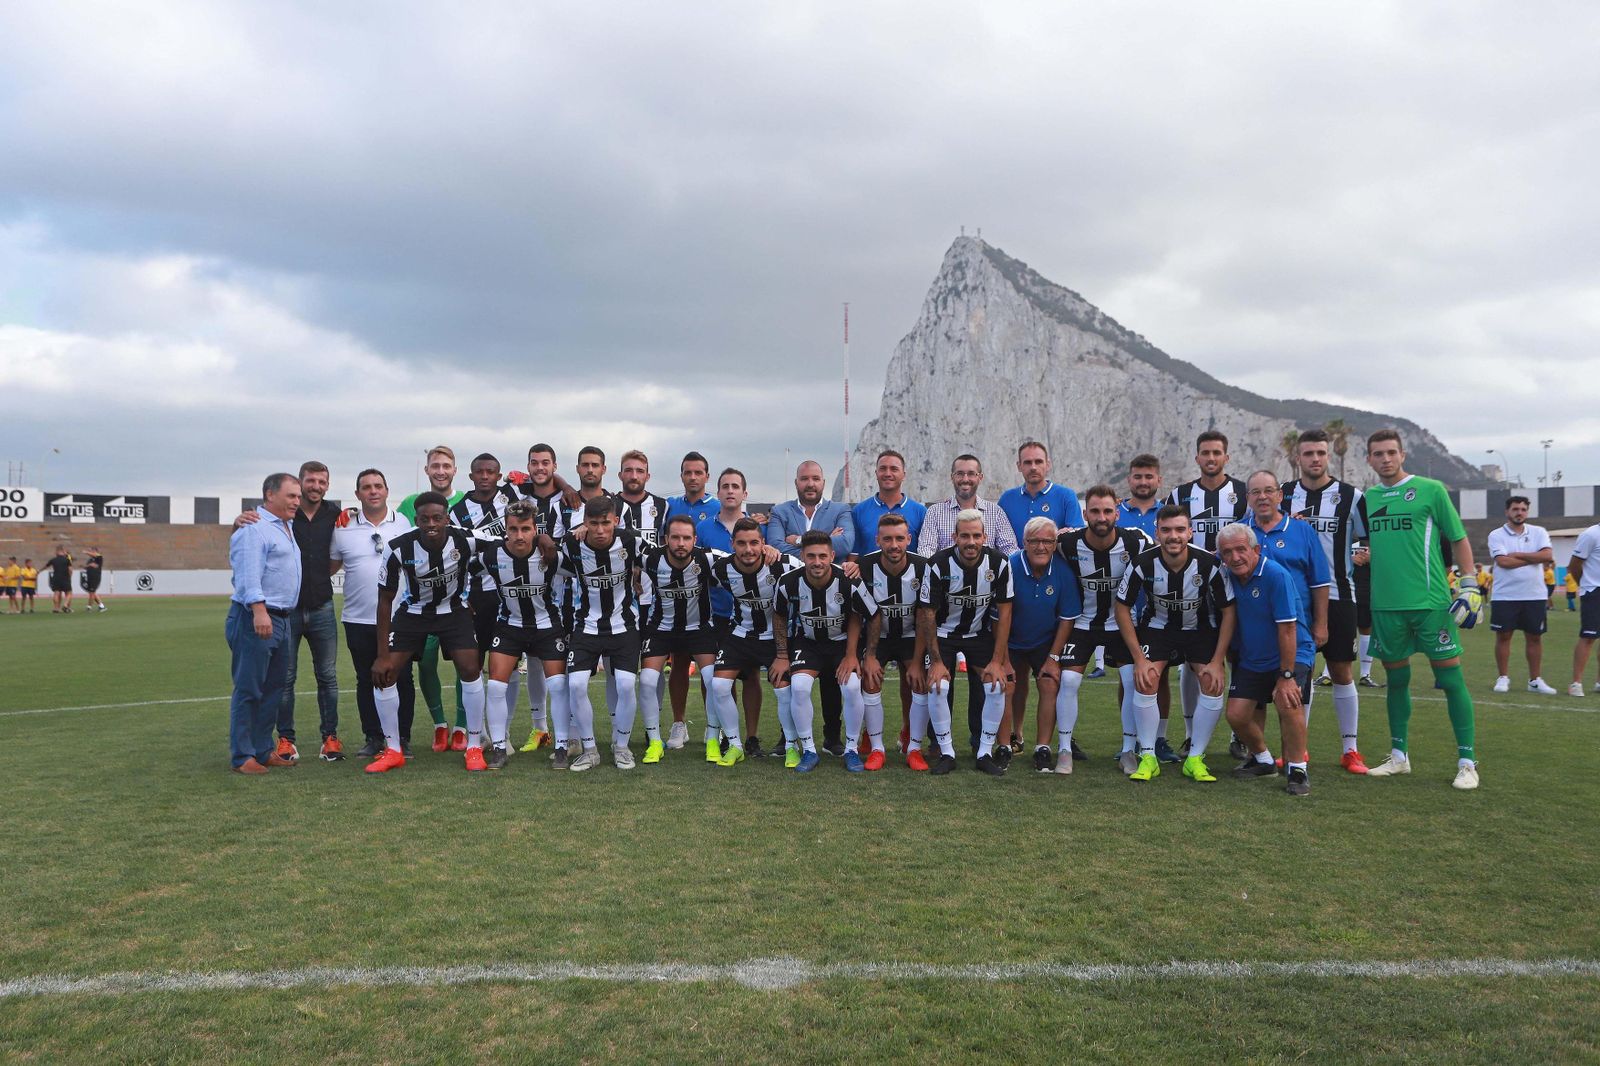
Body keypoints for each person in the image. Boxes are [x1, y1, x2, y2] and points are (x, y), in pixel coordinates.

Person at [1360, 429, 1483, 790]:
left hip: (1430, 603)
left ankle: (1466, 761)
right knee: (1396, 681)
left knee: (1450, 679)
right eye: (1378, 453)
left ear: (1403, 454)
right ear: (1368, 459)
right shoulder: (1368, 498)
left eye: (1391, 452)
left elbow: (1458, 537)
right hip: (1385, 606)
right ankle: (1399, 757)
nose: (1385, 459)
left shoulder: (1431, 490)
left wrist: (1470, 582)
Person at [367, 492, 488, 773]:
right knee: (385, 674)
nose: (431, 523)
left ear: (447, 518)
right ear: (416, 520)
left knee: (471, 668)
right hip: (414, 613)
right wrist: (382, 654)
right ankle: (393, 750)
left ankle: (473, 745)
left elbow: (506, 540)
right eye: (424, 519)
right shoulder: (398, 547)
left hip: (454, 611)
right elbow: (385, 601)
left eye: (437, 518)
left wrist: (543, 540)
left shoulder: (466, 538)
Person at [1114, 505, 1235, 784]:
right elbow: (1122, 607)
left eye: (1180, 530)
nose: (1173, 536)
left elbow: (1229, 611)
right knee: (1146, 679)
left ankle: (1195, 758)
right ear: (1157, 533)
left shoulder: (1209, 564)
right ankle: (1148, 756)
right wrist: (1139, 658)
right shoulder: (1143, 563)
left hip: (1199, 630)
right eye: (1166, 530)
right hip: (1158, 628)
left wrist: (1218, 661)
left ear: (1190, 532)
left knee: (1212, 682)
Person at [236, 459, 343, 761]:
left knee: (328, 676)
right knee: (284, 678)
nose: (315, 487)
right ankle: (285, 739)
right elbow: (249, 543)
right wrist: (238, 521)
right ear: (300, 481)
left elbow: (336, 560)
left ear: (328, 485)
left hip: (321, 606)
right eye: (310, 481)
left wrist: (319, 577)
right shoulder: (278, 515)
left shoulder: (336, 516)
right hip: (286, 611)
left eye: (322, 482)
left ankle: (330, 738)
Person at [1283, 430, 1369, 772]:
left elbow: (1368, 542)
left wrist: (1359, 555)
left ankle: (1350, 749)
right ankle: (1297, 750)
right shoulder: (1285, 496)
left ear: (1328, 455)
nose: (1315, 459)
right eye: (1308, 454)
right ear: (1297, 458)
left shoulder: (1352, 496)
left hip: (1339, 594)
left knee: (1341, 671)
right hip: (1295, 598)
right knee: (1299, 672)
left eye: (1320, 452)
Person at [1054, 485, 1152, 773]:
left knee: (1131, 681)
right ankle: (1064, 749)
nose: (1101, 517)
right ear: (1085, 514)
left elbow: (1161, 557)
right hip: (1082, 622)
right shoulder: (1067, 544)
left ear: (1117, 514)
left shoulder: (1136, 541)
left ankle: (1127, 750)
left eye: (1107, 511)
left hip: (1120, 623)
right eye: (1095, 511)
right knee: (1069, 682)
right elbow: (1041, 550)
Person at [1241, 470, 1332, 768]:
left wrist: (1321, 623)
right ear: (1248, 498)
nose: (1263, 497)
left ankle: (1294, 764)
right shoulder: (1240, 531)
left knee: (1289, 699)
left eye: (1269, 490)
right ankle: (1261, 757)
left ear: (1280, 495)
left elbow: (1319, 581)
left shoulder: (1302, 531)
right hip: (1252, 635)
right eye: (1256, 492)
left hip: (1295, 630)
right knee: (1254, 701)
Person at [1217, 524, 1314, 796]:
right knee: (1236, 715)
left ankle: (1297, 769)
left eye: (1241, 550)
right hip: (1252, 656)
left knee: (1288, 701)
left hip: (1292, 653)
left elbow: (1288, 628)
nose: (1235, 557)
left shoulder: (1275, 575)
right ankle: (1263, 760)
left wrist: (1286, 676)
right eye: (1227, 552)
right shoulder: (1226, 574)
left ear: (1256, 550)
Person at [766, 460, 855, 757]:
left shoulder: (840, 509)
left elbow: (845, 545)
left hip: (833, 601)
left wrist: (798, 541)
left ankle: (832, 737)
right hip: (795, 606)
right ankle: (788, 738)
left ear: (823, 482)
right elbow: (775, 546)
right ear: (796, 483)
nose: (810, 483)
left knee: (833, 681)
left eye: (815, 478)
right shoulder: (780, 511)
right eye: (804, 479)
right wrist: (821, 541)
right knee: (795, 681)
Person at [1168, 431, 1248, 757]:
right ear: (1197, 457)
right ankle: (1190, 734)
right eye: (1205, 453)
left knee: (1237, 658)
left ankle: (1238, 735)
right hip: (1193, 590)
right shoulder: (1181, 494)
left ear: (1226, 457)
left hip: (1236, 588)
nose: (1211, 458)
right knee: (1191, 662)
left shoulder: (1241, 493)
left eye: (1217, 453)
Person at [474, 499, 569, 770]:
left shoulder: (550, 555)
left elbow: (582, 573)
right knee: (495, 686)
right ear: (506, 528)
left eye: (525, 529)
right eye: (513, 529)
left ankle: (561, 745)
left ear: (534, 529)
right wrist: (465, 601)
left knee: (558, 686)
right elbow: (463, 572)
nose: (519, 535)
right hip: (510, 625)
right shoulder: (491, 556)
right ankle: (500, 747)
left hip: (547, 626)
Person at [920, 509, 1015, 776]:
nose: (970, 542)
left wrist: (998, 661)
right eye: (964, 536)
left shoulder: (1000, 564)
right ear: (954, 537)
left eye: (976, 536)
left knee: (996, 685)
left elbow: (1005, 612)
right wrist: (936, 662)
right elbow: (927, 614)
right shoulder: (937, 564)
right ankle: (946, 752)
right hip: (943, 635)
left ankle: (984, 751)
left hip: (978, 635)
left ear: (985, 537)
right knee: (938, 686)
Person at [329, 468, 416, 758]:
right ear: (357, 495)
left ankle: (402, 738)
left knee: (402, 678)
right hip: (357, 618)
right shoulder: (342, 527)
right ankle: (374, 737)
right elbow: (329, 567)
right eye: (366, 487)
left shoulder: (402, 523)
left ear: (387, 491)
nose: (373, 491)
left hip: (398, 618)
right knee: (366, 679)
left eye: (378, 485)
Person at [773, 531, 878, 771]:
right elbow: (778, 615)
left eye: (822, 556)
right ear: (802, 556)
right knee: (798, 687)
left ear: (832, 555)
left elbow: (869, 613)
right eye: (811, 556)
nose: (817, 562)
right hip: (808, 643)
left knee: (852, 687)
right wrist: (781, 655)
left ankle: (851, 750)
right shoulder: (789, 581)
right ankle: (809, 750)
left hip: (842, 644)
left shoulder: (848, 579)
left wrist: (855, 654)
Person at [560, 496, 647, 771]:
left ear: (616, 522)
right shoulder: (572, 542)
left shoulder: (632, 541)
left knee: (624, 685)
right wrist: (567, 533)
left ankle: (621, 747)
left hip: (624, 625)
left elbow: (664, 555)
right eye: (593, 523)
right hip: (586, 625)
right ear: (584, 523)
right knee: (575, 685)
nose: (599, 530)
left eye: (605, 523)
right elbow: (546, 548)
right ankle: (589, 750)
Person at [226, 473, 303, 775]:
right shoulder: (254, 529)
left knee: (273, 689)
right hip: (257, 617)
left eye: (298, 496)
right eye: (291, 496)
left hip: (283, 618)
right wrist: (259, 610)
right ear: (270, 495)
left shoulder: (286, 527)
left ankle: (261, 749)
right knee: (249, 688)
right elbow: (247, 573)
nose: (297, 501)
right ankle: (242, 756)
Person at [709, 519, 801, 766]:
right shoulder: (720, 569)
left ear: (763, 544)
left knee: (783, 692)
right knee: (718, 686)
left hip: (776, 638)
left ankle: (792, 746)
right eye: (741, 543)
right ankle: (736, 745)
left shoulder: (785, 565)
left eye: (754, 543)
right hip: (740, 635)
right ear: (732, 545)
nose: (748, 549)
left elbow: (819, 569)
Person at [395, 445, 467, 751]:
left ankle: (462, 727)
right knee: (425, 663)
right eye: (435, 465)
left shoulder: (466, 501)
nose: (440, 470)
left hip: (458, 600)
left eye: (446, 465)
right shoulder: (411, 504)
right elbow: (392, 536)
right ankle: (440, 725)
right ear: (427, 470)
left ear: (454, 469)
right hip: (420, 602)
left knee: (467, 663)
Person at [637, 515, 723, 764]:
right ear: (666, 539)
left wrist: (767, 549)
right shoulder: (651, 558)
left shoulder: (707, 558)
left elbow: (741, 557)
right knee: (647, 681)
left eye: (687, 538)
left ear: (695, 540)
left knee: (711, 680)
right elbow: (621, 545)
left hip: (699, 628)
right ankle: (656, 741)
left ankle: (713, 737)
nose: (681, 543)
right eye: (675, 537)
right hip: (661, 628)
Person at [696, 468, 768, 752]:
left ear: (744, 493)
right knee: (718, 675)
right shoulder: (703, 528)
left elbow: (768, 559)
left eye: (735, 486)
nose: (729, 491)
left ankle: (750, 737)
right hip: (717, 614)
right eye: (724, 486)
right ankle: (724, 731)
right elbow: (697, 569)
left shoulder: (754, 528)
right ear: (718, 491)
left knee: (750, 676)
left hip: (750, 617)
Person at [855, 513, 933, 769]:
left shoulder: (923, 567)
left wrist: (917, 662)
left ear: (909, 539)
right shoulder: (864, 567)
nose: (894, 545)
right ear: (877, 540)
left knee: (919, 682)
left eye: (900, 538)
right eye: (887, 539)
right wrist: (869, 657)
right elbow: (860, 614)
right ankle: (876, 747)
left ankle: (913, 746)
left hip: (912, 636)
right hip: (878, 637)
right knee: (869, 678)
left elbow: (924, 617)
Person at [1007, 517, 1081, 773]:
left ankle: (1043, 748)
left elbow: (1067, 617)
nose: (1041, 546)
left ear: (1055, 543)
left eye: (1048, 541)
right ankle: (1009, 742)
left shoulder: (1063, 571)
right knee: (1008, 684)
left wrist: (1053, 657)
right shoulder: (1010, 566)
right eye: (1035, 541)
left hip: (1045, 640)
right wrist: (1001, 656)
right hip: (1012, 639)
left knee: (1050, 682)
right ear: (1024, 543)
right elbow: (1000, 615)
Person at [662, 451, 719, 749]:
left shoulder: (720, 506)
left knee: (715, 670)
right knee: (680, 662)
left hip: (714, 601)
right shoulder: (669, 507)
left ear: (707, 476)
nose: (693, 477)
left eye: (699, 472)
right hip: (677, 602)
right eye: (688, 472)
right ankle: (679, 724)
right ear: (681, 475)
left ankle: (715, 726)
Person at [1487, 496, 1557, 694]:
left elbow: (1547, 556)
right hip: (1505, 595)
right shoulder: (1496, 534)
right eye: (1515, 509)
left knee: (1535, 638)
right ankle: (1503, 678)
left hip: (1534, 595)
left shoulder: (1539, 532)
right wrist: (1533, 558)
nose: (1519, 512)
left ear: (1527, 511)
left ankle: (1535, 680)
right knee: (1504, 637)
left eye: (1523, 509)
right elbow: (1503, 562)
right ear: (1507, 511)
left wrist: (1517, 555)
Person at [918, 453, 1018, 559]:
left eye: (971, 474)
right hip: (946, 574)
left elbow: (1009, 549)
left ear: (980, 477)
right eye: (960, 474)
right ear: (952, 477)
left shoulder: (996, 512)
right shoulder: (935, 512)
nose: (965, 479)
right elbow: (926, 549)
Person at [998, 441, 1085, 544]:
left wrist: (1060, 536)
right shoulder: (1006, 499)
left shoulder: (1066, 496)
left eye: (1038, 462)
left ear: (1047, 465)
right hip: (1016, 560)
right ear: (1019, 466)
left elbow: (1076, 537)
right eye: (1027, 462)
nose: (1033, 467)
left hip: (1056, 560)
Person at [850, 449, 928, 558]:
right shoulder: (858, 511)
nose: (887, 473)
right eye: (883, 469)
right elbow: (853, 555)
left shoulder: (921, 512)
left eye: (894, 469)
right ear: (876, 473)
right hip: (868, 575)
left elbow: (925, 554)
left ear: (903, 475)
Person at [1569, 521, 1600, 696]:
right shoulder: (1591, 535)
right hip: (1594, 592)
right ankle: (1576, 683)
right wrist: (1587, 586)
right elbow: (1574, 565)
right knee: (1588, 637)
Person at [46, 546, 72, 613]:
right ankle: (66, 605)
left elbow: (46, 566)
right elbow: (70, 569)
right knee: (69, 593)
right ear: (62, 551)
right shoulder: (67, 559)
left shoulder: (53, 559)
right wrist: (70, 576)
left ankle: (56, 608)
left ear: (57, 552)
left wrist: (39, 571)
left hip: (56, 578)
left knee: (56, 593)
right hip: (65, 578)